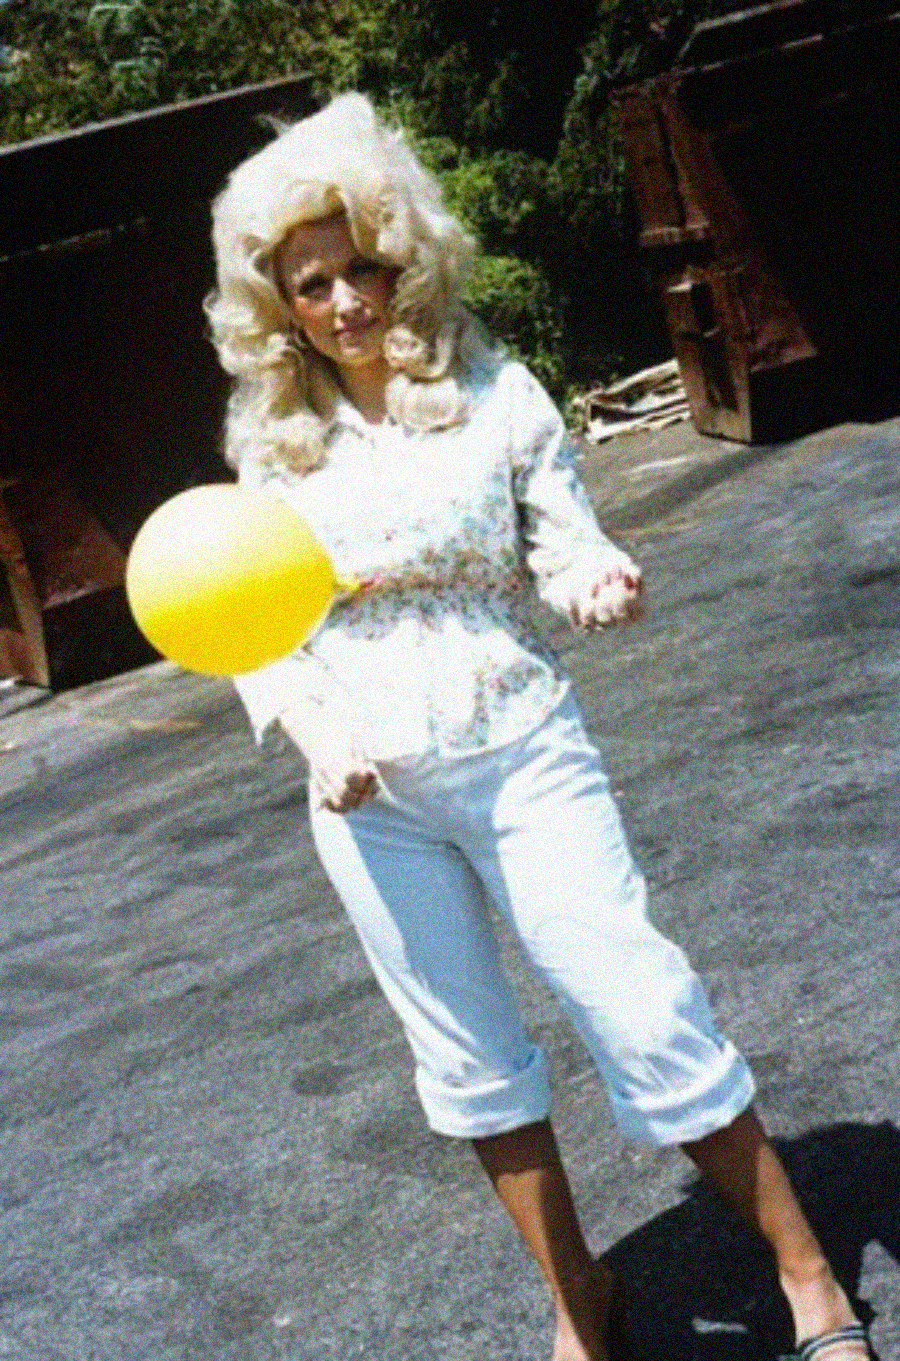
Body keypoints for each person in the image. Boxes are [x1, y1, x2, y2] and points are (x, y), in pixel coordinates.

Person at [205, 94, 871, 1361]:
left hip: (519, 752)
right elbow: (255, 629)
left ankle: (810, 1277)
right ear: (274, 302)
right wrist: (317, 735)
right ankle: (581, 1300)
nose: (344, 299)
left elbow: (566, 546)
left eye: (364, 266)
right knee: (466, 1058)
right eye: (311, 283)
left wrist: (596, 583)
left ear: (409, 257)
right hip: (370, 799)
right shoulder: (270, 446)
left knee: (640, 1001)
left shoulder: (497, 393)